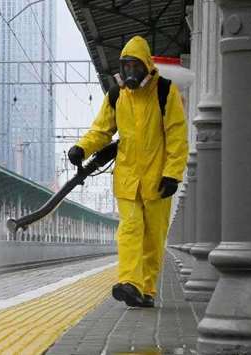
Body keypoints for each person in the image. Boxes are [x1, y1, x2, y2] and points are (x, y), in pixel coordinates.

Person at [68, 36, 188, 308]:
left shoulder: (164, 92)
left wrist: (173, 173)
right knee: (130, 230)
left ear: (147, 66)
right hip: (127, 179)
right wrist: (81, 148)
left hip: (158, 180)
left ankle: (147, 290)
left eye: (136, 66)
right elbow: (101, 131)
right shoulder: (116, 95)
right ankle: (130, 283)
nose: (131, 72)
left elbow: (177, 136)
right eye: (126, 66)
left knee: (154, 237)